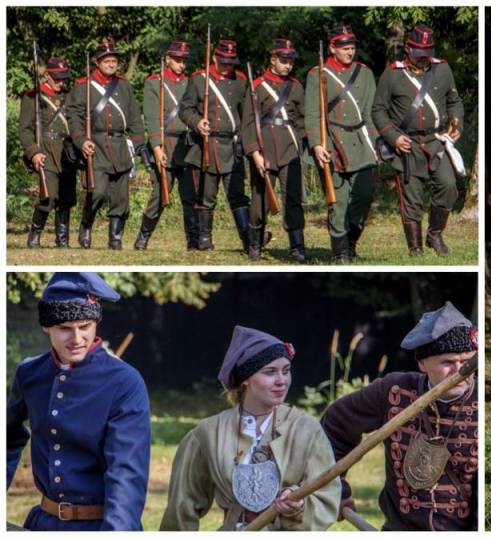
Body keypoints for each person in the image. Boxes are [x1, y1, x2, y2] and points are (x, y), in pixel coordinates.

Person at [6, 272, 151, 530]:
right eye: (64, 329)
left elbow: (126, 476)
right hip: (42, 524)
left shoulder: (125, 382)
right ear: (46, 326)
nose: (76, 339)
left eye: (85, 326)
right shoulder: (29, 374)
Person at [161, 326, 340, 530]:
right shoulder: (208, 433)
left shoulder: (307, 429)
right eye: (270, 372)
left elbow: (327, 499)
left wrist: (297, 507)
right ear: (245, 379)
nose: (282, 381)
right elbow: (181, 508)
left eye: (286, 371)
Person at [322, 302, 478, 531]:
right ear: (422, 363)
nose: (458, 371)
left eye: (466, 361)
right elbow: (335, 424)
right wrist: (335, 489)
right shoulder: (393, 392)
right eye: (447, 362)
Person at [372, 25, 464, 256]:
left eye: (426, 52)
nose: (423, 58)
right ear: (408, 49)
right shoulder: (392, 73)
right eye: (418, 53)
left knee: (448, 185)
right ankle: (415, 249)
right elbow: (378, 110)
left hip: (436, 141)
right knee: (411, 199)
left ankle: (435, 234)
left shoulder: (442, 69)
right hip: (407, 145)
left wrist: (456, 122)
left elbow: (454, 101)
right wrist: (393, 138)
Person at [306, 25, 378, 264]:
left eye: (352, 47)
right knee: (338, 201)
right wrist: (317, 144)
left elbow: (370, 113)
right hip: (332, 142)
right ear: (332, 48)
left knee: (364, 194)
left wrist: (375, 142)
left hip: (360, 142)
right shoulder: (318, 74)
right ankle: (340, 252)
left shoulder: (364, 73)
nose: (350, 52)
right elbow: (313, 114)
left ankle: (352, 241)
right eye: (345, 48)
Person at [66, 38, 146, 250]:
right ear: (98, 62)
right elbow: (73, 116)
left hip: (119, 146)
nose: (112, 64)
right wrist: (82, 140)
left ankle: (115, 238)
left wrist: (140, 144)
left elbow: (135, 117)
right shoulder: (84, 85)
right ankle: (86, 224)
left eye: (114, 60)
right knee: (98, 192)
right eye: (107, 60)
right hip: (96, 145)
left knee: (121, 198)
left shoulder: (124, 85)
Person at [181, 39, 254, 253]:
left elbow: (246, 115)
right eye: (223, 62)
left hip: (231, 145)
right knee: (206, 195)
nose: (227, 66)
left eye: (231, 62)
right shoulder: (199, 79)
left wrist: (244, 141)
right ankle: (204, 240)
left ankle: (248, 240)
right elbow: (185, 110)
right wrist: (197, 122)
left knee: (238, 195)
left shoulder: (241, 81)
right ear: (214, 58)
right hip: (207, 144)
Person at [242, 39, 308, 262]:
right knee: (259, 201)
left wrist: (303, 143)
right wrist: (254, 153)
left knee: (293, 198)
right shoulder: (257, 86)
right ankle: (254, 244)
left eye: (290, 61)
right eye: (283, 61)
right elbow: (249, 123)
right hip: (264, 149)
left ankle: (297, 246)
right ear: (273, 60)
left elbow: (301, 120)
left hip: (290, 148)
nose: (287, 65)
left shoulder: (296, 86)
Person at [134, 40, 196, 250]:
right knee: (161, 194)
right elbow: (151, 118)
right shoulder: (154, 82)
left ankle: (193, 240)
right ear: (168, 59)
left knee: (191, 196)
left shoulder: (192, 82)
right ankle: (143, 237)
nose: (181, 64)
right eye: (177, 59)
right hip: (166, 143)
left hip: (188, 145)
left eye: (184, 60)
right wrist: (157, 148)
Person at [20, 56, 78, 248]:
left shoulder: (69, 96)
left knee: (67, 197)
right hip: (46, 150)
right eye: (58, 78)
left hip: (67, 152)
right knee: (49, 196)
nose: (62, 82)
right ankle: (34, 235)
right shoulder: (33, 96)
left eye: (64, 78)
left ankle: (62, 240)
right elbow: (25, 129)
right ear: (47, 76)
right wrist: (33, 152)